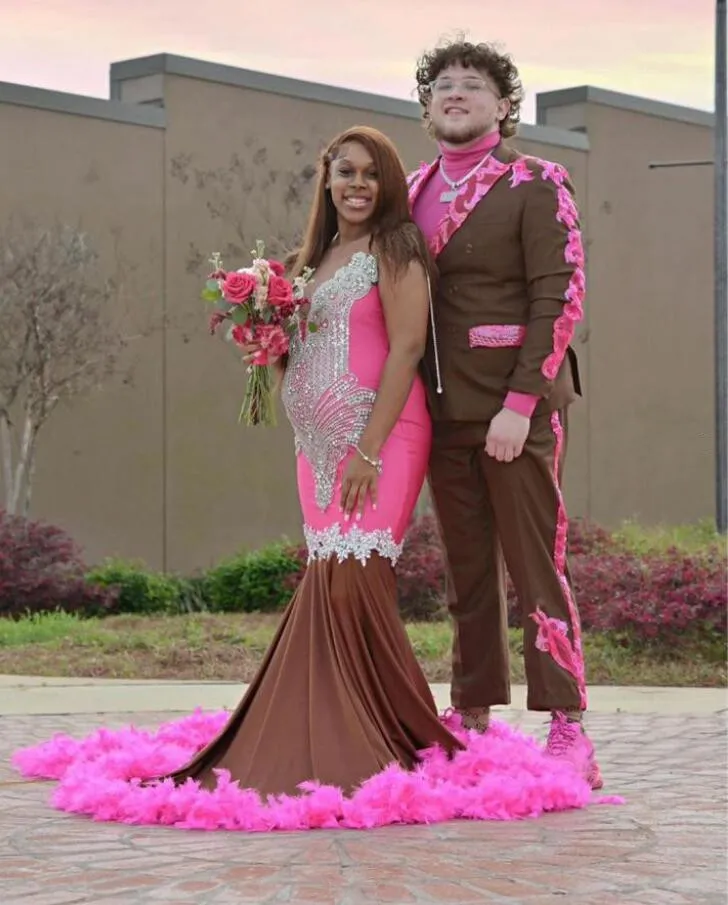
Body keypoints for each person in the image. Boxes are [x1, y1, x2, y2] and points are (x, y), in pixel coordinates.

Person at [163, 125, 463, 797]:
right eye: (344, 172)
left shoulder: (396, 248)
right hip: (315, 449)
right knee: (330, 578)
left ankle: (378, 736)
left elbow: (408, 348)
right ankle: (340, 726)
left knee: (357, 579)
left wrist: (367, 449)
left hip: (380, 438)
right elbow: (302, 354)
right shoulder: (311, 260)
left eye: (370, 173)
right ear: (326, 181)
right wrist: (264, 341)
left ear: (386, 184)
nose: (356, 184)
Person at [408, 39, 602, 789]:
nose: (456, 94)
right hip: (439, 406)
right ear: (427, 108)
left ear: (502, 104)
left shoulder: (536, 181)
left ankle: (566, 721)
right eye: (443, 86)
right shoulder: (413, 187)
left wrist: (521, 403)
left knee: (534, 567)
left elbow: (560, 297)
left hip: (515, 409)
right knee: (466, 574)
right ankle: (472, 711)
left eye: (473, 86)